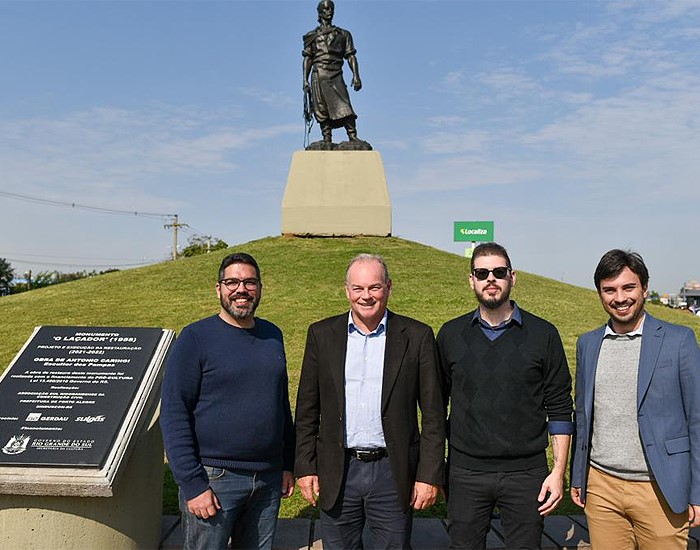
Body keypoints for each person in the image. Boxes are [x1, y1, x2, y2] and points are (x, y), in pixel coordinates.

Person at [294, 254, 445, 549]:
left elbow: (434, 415)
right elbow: (307, 410)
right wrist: (305, 466)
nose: (366, 296)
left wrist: (429, 475)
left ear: (388, 287)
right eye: (358, 288)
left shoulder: (417, 336)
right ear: (347, 290)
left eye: (374, 287)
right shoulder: (321, 335)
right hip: (338, 469)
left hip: (393, 471)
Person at [436, 242, 574, 549]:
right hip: (466, 471)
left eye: (499, 272)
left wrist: (558, 472)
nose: (490, 279)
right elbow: (435, 407)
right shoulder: (450, 335)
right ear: (470, 279)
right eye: (481, 272)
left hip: (526, 474)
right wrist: (436, 470)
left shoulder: (543, 335)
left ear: (513, 277)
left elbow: (561, 408)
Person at [160, 252, 295, 550]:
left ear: (259, 288)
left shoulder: (273, 335)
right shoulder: (195, 338)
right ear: (218, 288)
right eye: (232, 282)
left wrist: (287, 463)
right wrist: (193, 485)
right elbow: (173, 412)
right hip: (215, 479)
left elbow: (280, 404)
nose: (241, 289)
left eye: (249, 282)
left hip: (268, 479)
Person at [570, 249, 700, 549]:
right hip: (602, 488)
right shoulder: (588, 343)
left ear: (644, 286)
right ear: (600, 294)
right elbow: (583, 414)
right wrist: (579, 476)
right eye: (609, 290)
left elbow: (697, 419)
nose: (620, 297)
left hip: (660, 487)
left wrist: (697, 492)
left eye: (628, 287)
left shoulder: (679, 340)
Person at [303, 0, 366, 148]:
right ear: (319, 13)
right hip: (319, 74)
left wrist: (356, 75)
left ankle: (353, 135)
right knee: (320, 107)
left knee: (345, 104)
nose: (329, 11)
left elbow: (351, 55)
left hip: (336, 73)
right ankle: (326, 138)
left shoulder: (344, 34)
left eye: (331, 8)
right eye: (325, 9)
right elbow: (308, 58)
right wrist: (305, 80)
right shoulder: (311, 36)